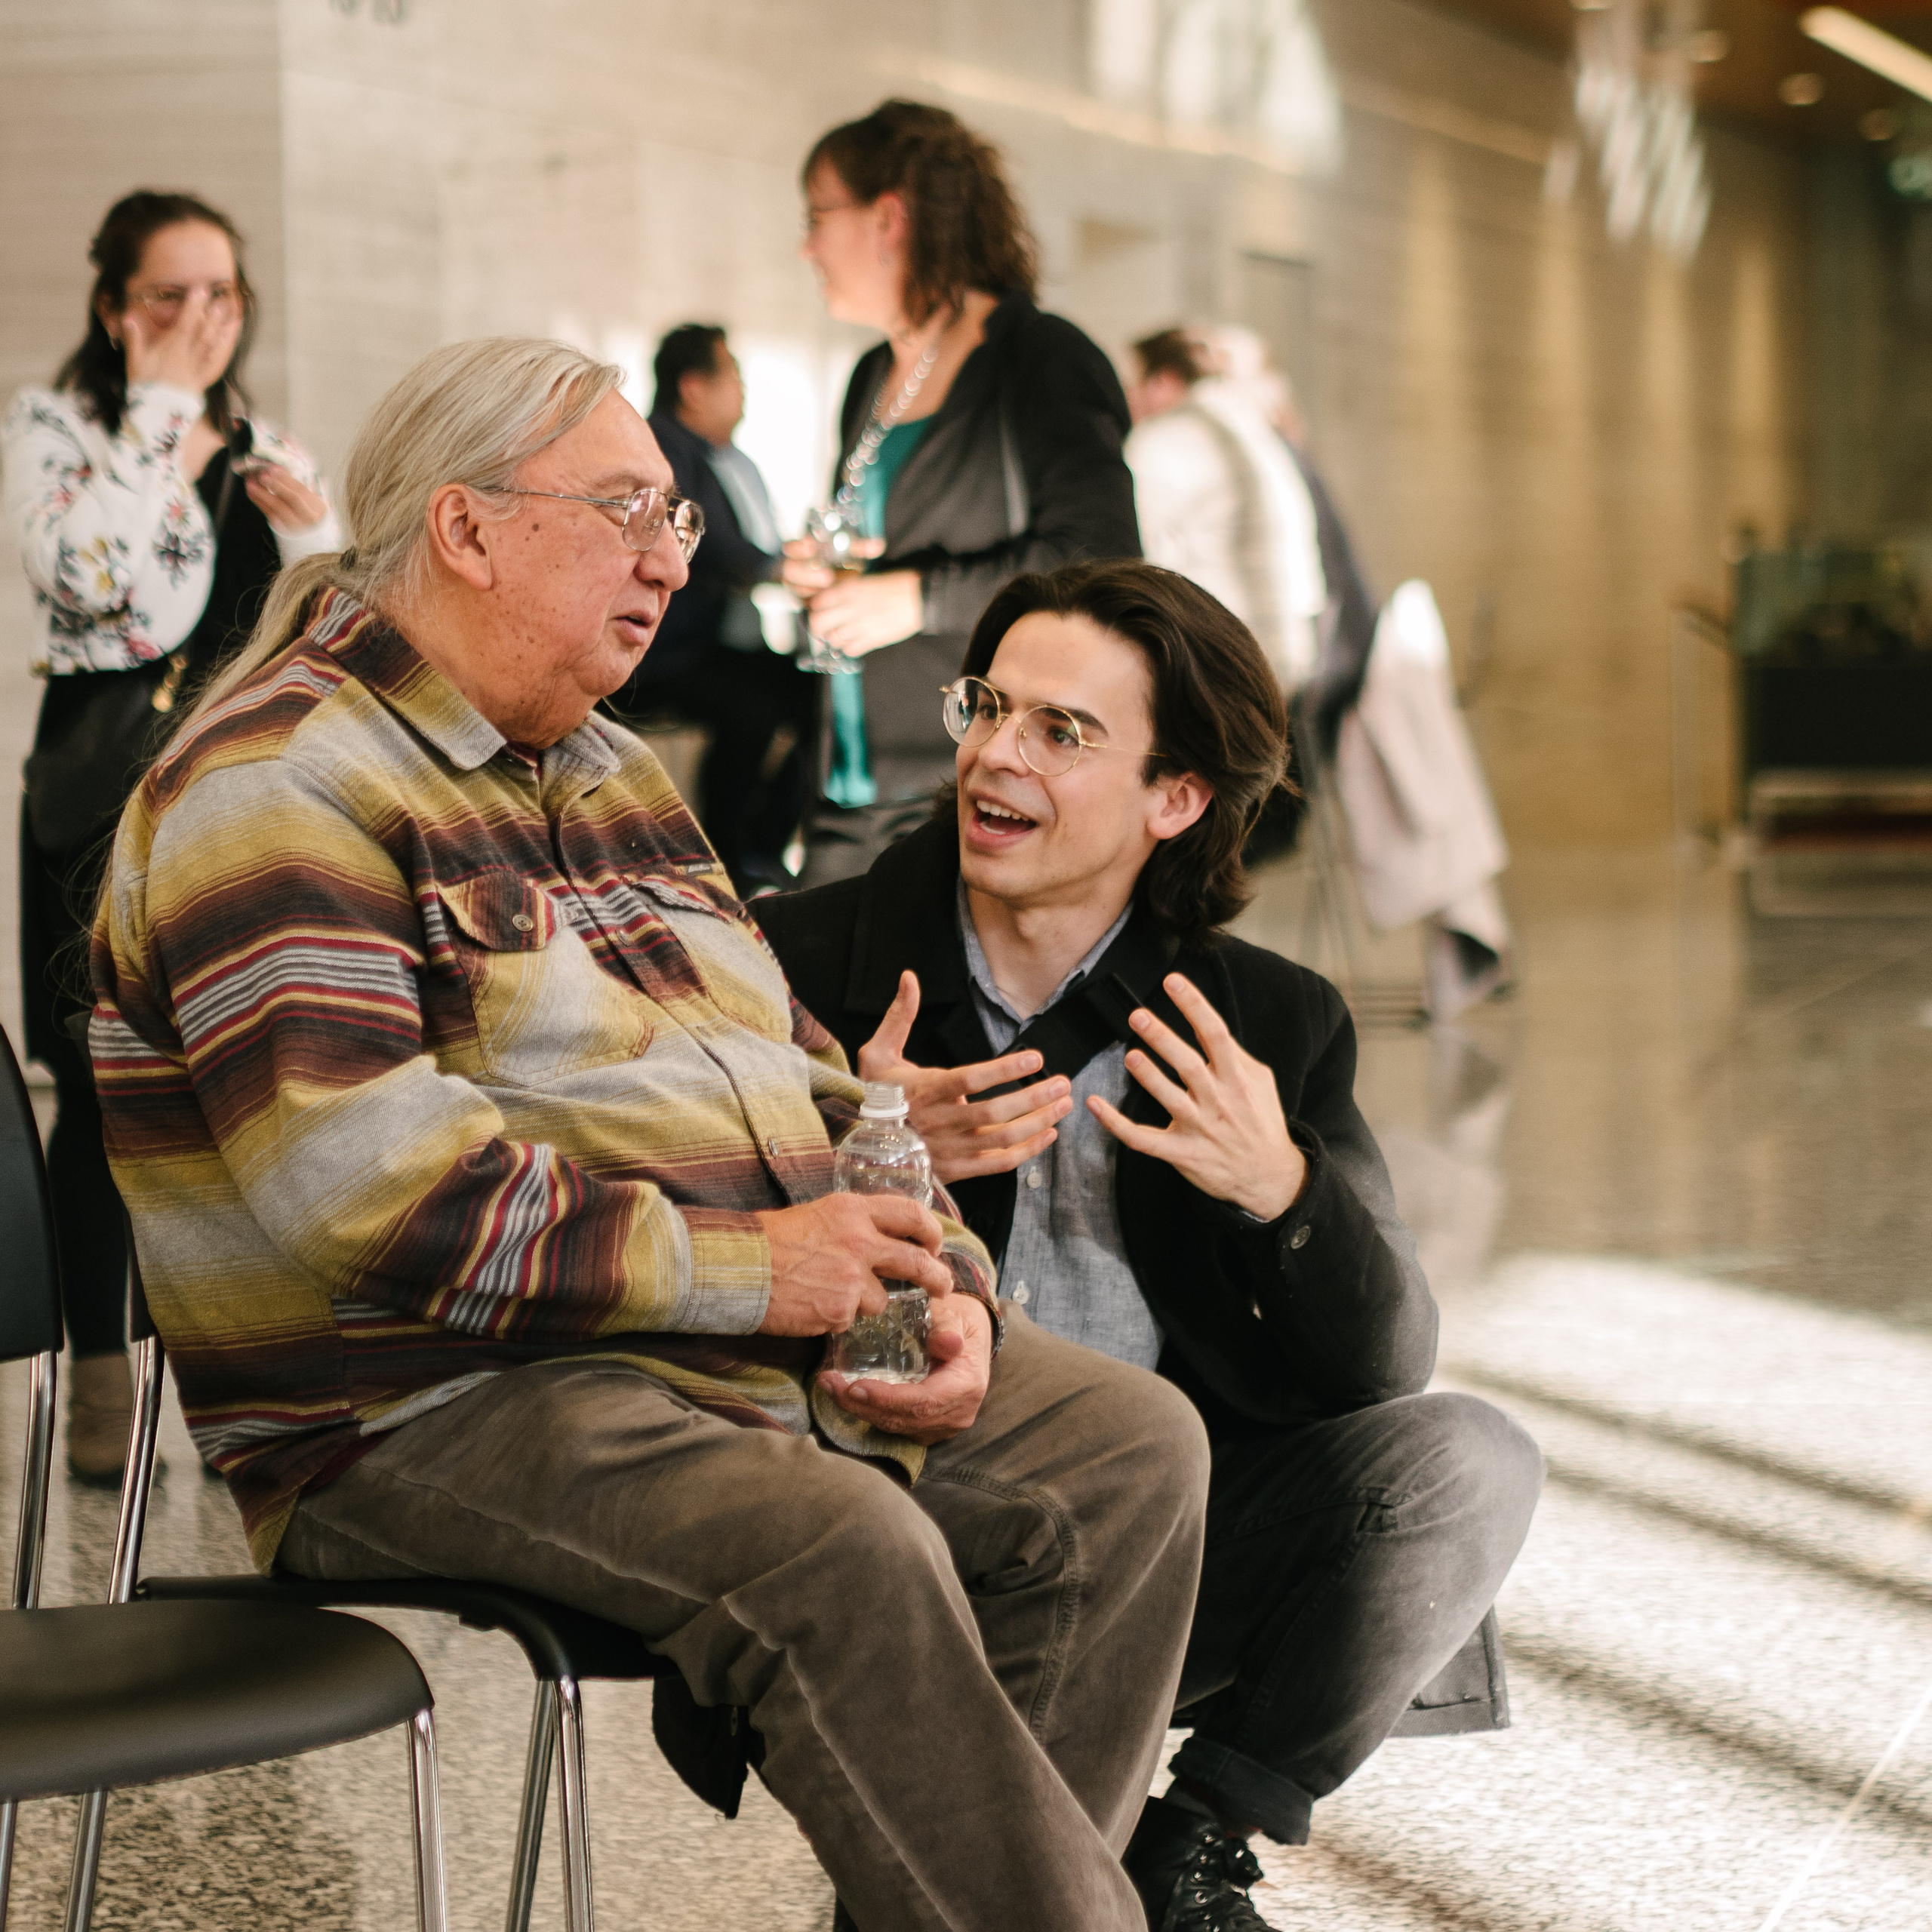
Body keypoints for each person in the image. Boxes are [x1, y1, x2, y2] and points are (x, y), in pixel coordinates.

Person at [90, 337, 1211, 1932]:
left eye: (679, 522)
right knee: (841, 1540)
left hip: (692, 1338)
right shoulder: (276, 778)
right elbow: (367, 1190)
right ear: (467, 528)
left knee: (1126, 1448)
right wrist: (766, 1272)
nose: (671, 559)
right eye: (626, 511)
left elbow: (814, 1083)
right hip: (419, 1395)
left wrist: (930, 1288)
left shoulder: (609, 770)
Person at [756, 560, 1544, 1932]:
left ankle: (1184, 1844)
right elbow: (665, 1244)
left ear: (1175, 800)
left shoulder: (1255, 1018)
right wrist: (862, 1154)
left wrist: (1281, 1188)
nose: (998, 752)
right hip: (884, 1520)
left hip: (1152, 1537)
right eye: (989, 707)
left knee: (1467, 1461)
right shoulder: (804, 962)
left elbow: (1385, 1364)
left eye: (1063, 732)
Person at [2, 188, 336, 1484]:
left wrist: (307, 520)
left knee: (237, 1081)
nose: (202, 321)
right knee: (96, 1088)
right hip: (99, 800)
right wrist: (158, 431)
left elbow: (325, 613)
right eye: (170, 296)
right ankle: (98, 1384)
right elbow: (90, 582)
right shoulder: (55, 428)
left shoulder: (258, 435)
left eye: (223, 296)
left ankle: (230, 1379)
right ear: (112, 307)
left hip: (237, 796)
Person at [783, 98, 1141, 887]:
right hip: (848, 773)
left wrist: (918, 599)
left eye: (818, 215)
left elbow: (1102, 558)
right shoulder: (870, 375)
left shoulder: (1040, 360)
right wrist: (822, 566)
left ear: (888, 220)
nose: (806, 245)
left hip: (973, 781)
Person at [609, 322, 811, 894]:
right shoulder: (664, 450)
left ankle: (760, 847)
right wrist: (776, 568)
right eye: (735, 376)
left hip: (706, 645)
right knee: (754, 705)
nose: (744, 390)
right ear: (694, 386)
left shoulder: (719, 456)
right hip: (662, 653)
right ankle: (730, 859)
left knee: (812, 691)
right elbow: (708, 542)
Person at [1124, 328, 1326, 700]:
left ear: (1164, 382)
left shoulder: (1167, 439)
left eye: (1133, 384)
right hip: (1288, 654)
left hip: (1217, 664)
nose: (1129, 399)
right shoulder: (1254, 432)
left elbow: (1128, 555)